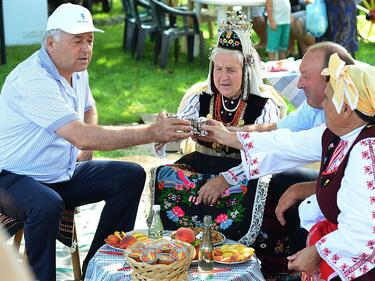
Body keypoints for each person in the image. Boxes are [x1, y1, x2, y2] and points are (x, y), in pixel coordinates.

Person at [0, 3, 192, 281]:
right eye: (77, 40)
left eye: (90, 40)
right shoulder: (33, 79)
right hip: (12, 178)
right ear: (50, 43)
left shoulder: (77, 69)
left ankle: (98, 269)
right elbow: (79, 133)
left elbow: (89, 110)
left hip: (60, 174)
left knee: (130, 176)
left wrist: (87, 147)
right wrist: (151, 132)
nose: (86, 48)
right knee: (46, 204)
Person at [152, 10, 315, 276]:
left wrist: (225, 177)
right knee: (167, 176)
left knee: (251, 191)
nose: (223, 77)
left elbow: (266, 154)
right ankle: (185, 253)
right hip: (202, 162)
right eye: (218, 69)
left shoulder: (265, 104)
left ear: (247, 70)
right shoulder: (199, 97)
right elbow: (175, 136)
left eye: (231, 70)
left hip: (247, 170)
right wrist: (169, 130)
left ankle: (239, 263)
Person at [202, 53, 375, 280]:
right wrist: (227, 137)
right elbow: (287, 143)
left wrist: (317, 252)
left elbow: (364, 234)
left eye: (328, 98)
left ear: (345, 110)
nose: (322, 104)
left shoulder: (366, 152)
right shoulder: (338, 133)